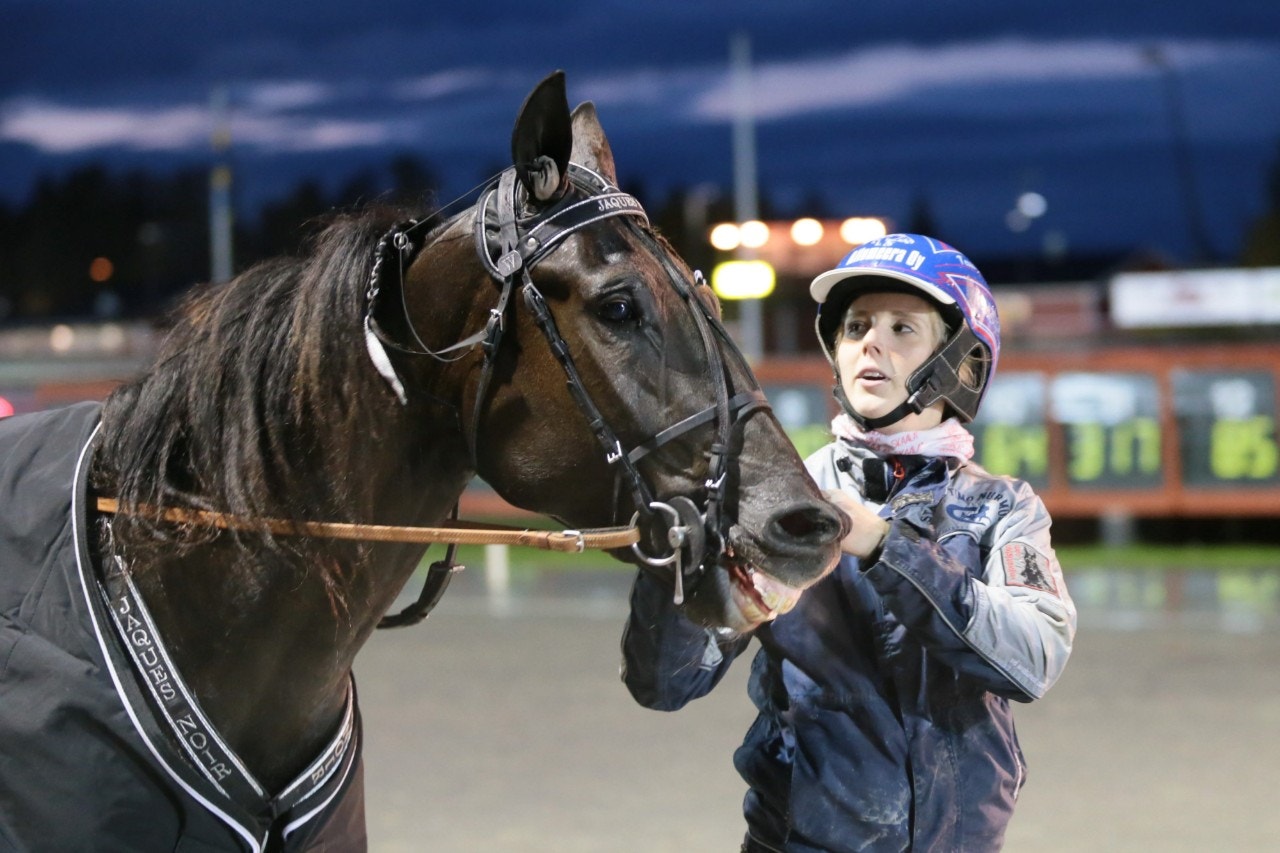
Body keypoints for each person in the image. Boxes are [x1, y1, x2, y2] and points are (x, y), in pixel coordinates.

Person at [621, 233, 1076, 852]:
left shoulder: (1003, 507)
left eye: (901, 329)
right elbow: (668, 684)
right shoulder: (784, 506)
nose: (870, 341)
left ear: (961, 364)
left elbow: (1033, 659)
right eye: (856, 325)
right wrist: (677, 571)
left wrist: (887, 546)